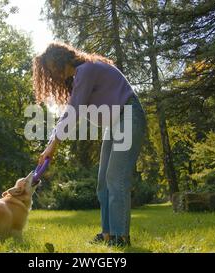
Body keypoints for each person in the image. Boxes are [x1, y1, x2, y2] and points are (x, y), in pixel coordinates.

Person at [32, 42, 146, 247]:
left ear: (60, 62)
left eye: (52, 69)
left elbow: (73, 111)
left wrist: (52, 145)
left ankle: (121, 238)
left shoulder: (86, 70)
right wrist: (51, 143)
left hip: (128, 116)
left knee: (116, 178)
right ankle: (108, 234)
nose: (53, 76)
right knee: (103, 182)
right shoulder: (80, 75)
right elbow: (69, 112)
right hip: (116, 123)